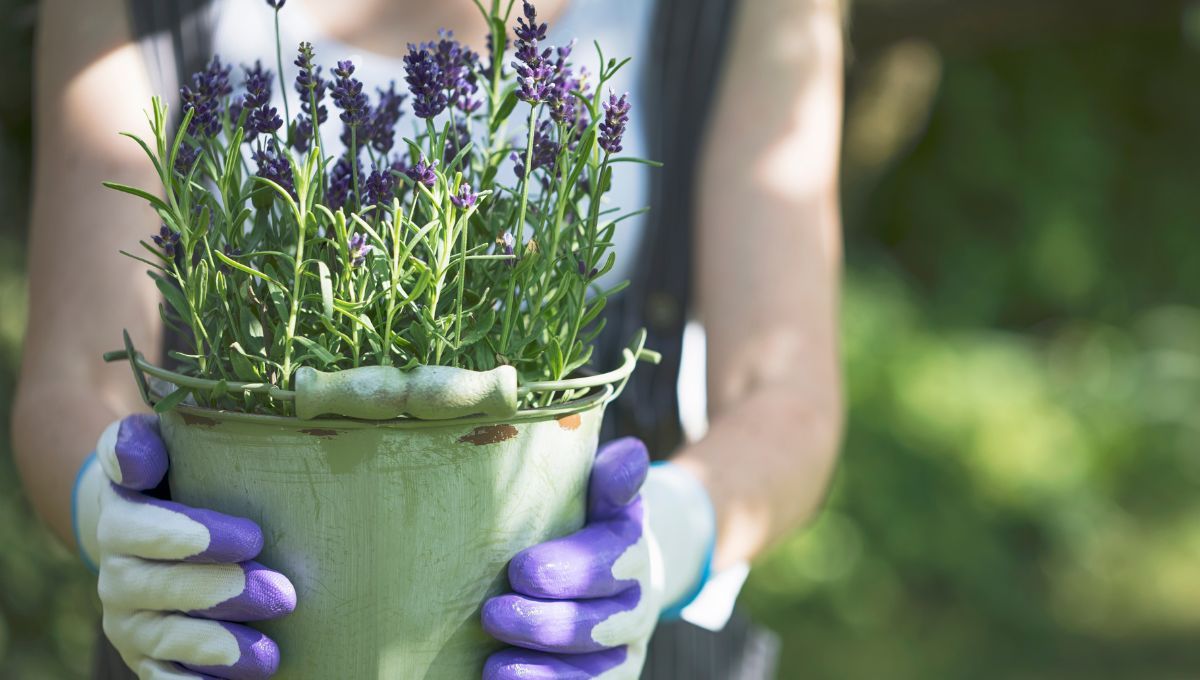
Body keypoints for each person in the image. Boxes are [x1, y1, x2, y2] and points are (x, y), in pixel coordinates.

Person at [13, 0, 845, 677]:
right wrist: (110, 512)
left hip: (590, 654)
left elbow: (785, 389)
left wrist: (670, 535)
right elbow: (70, 374)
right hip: (225, 636)